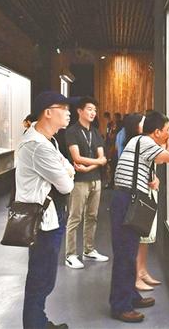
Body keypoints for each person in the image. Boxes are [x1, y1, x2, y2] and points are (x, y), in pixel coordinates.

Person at [109, 111, 169, 323]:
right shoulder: (145, 141)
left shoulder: (140, 142)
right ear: (156, 132)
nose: (167, 134)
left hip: (126, 199)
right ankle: (121, 306)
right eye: (166, 131)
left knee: (129, 252)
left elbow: (151, 163)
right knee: (125, 254)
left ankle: (130, 296)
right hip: (126, 201)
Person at [15, 91, 75, 329]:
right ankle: (34, 324)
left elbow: (68, 166)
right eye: (64, 108)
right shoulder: (37, 145)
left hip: (52, 216)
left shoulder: (49, 140)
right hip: (43, 220)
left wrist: (66, 170)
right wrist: (66, 172)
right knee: (40, 277)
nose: (68, 113)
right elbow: (66, 184)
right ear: (48, 112)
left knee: (45, 275)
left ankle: (39, 321)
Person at [63, 96, 109, 268]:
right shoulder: (72, 131)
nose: (93, 113)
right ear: (79, 111)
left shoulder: (95, 132)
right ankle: (70, 254)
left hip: (95, 179)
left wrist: (89, 167)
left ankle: (89, 250)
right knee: (75, 217)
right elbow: (76, 157)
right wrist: (98, 162)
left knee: (92, 216)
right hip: (79, 181)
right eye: (89, 109)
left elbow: (103, 158)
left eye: (95, 110)